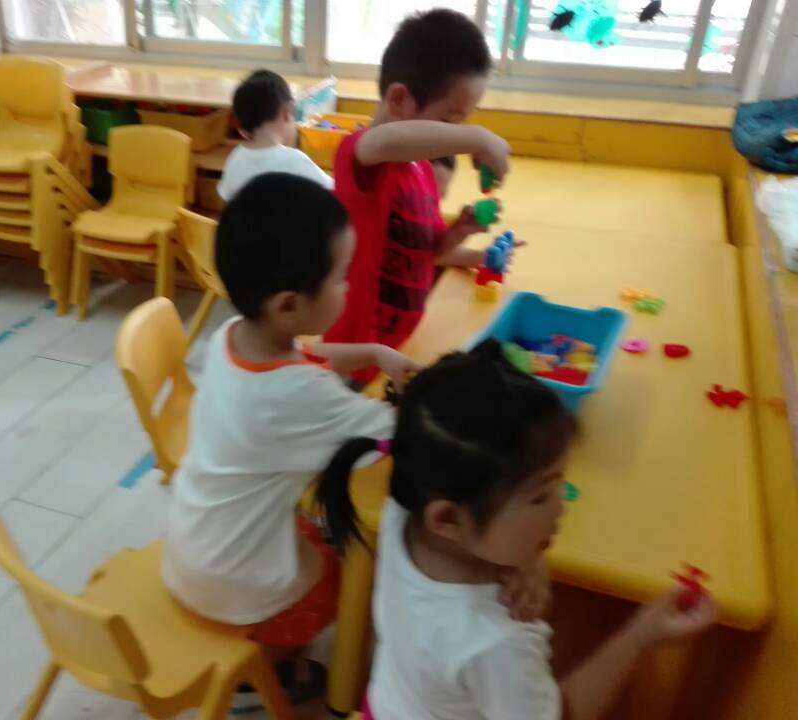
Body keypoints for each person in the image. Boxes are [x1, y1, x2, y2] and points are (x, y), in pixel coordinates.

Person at [315, 344, 717, 720]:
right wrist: (640, 636)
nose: (561, 506)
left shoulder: (405, 507)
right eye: (541, 495)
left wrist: (528, 559)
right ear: (449, 520)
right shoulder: (493, 642)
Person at [163, 173, 418, 709]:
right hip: (229, 583)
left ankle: (265, 646)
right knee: (347, 573)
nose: (348, 287)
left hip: (192, 544)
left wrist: (374, 354)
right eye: (341, 277)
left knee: (314, 527)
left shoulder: (233, 337)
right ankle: (264, 672)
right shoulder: (296, 394)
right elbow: (398, 432)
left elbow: (310, 356)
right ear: (287, 306)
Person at [323, 9, 512, 382]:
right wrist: (477, 138)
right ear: (398, 101)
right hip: (356, 361)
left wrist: (457, 233)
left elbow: (427, 253)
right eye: (450, 120)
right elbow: (386, 141)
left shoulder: (422, 170)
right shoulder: (361, 154)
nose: (455, 134)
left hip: (400, 348)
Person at [218, 69, 333, 202]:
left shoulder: (236, 157)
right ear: (288, 111)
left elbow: (226, 198)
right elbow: (336, 190)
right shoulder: (294, 160)